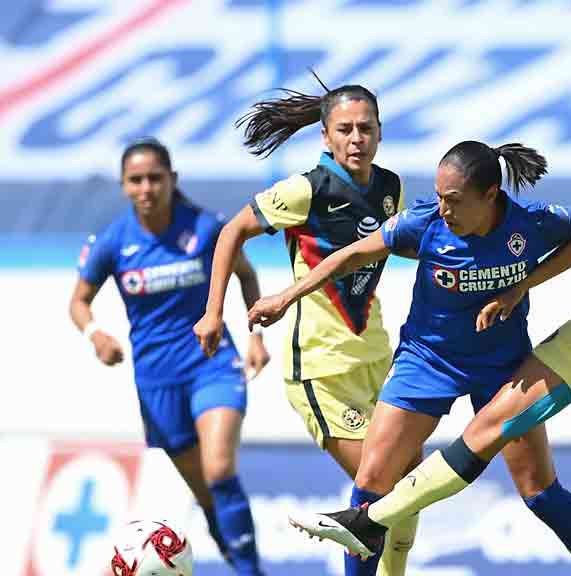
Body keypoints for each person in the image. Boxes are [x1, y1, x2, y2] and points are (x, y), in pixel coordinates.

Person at [268, 96, 571, 575]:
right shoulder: (428, 221)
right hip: (480, 350)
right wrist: (522, 286)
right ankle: (365, 523)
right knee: (431, 454)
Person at [249, 139, 571, 575]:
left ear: (490, 196)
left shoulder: (532, 223)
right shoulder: (424, 222)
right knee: (371, 484)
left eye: (454, 200)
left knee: (540, 490)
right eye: (440, 196)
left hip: (504, 370)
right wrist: (287, 295)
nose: (443, 208)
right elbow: (351, 255)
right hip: (427, 361)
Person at [193, 82, 420, 576]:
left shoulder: (391, 189)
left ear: (380, 134)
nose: (356, 138)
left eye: (366, 128)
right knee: (382, 485)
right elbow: (231, 231)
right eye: (345, 129)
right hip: (321, 367)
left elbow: (392, 248)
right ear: (325, 136)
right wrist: (215, 312)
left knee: (412, 486)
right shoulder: (306, 190)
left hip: (378, 356)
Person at [70, 138, 269, 575]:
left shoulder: (206, 228)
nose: (146, 188)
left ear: (172, 179)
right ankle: (240, 565)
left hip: (211, 363)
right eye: (136, 180)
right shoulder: (112, 242)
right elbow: (79, 301)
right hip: (156, 381)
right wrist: (95, 333)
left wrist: (255, 335)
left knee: (219, 469)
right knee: (206, 494)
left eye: (155, 178)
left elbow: (247, 276)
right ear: (123, 186)